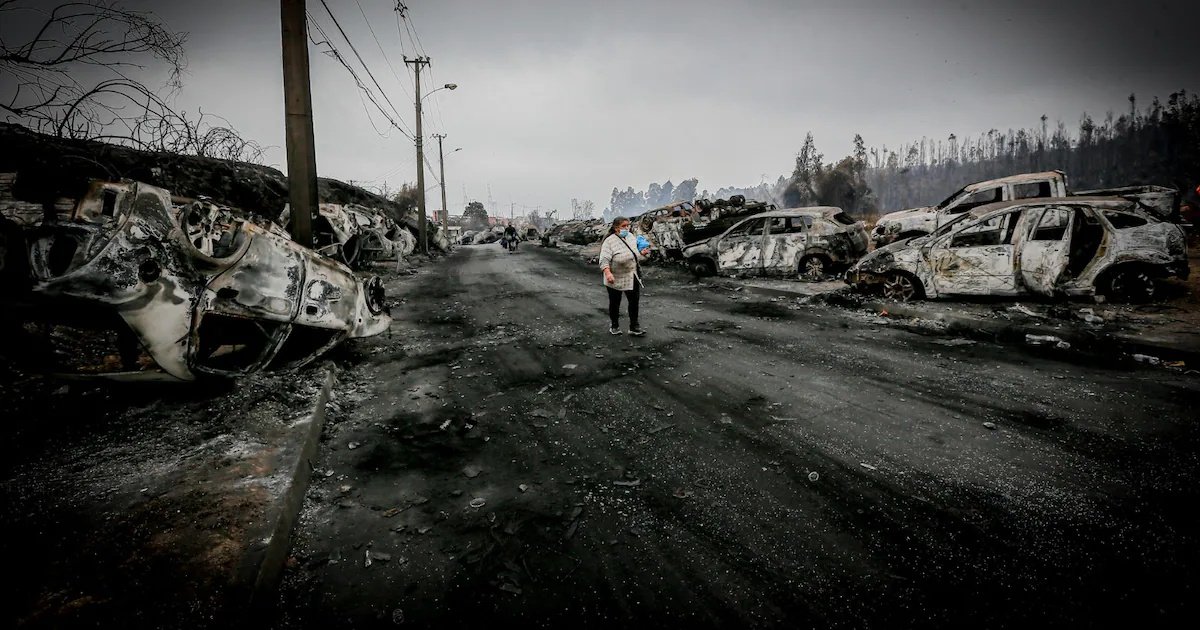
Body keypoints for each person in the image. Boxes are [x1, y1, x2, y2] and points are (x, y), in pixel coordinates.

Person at [599, 216, 650, 336]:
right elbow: (604, 260)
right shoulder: (609, 241)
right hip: (614, 277)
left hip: (631, 275)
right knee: (615, 302)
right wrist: (608, 273)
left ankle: (634, 326)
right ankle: (614, 325)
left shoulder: (631, 237)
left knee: (634, 302)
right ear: (616, 228)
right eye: (623, 226)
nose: (627, 228)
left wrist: (641, 253)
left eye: (628, 225)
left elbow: (635, 254)